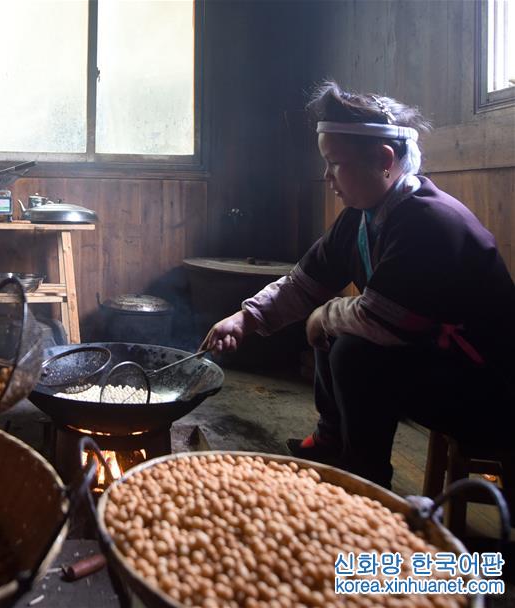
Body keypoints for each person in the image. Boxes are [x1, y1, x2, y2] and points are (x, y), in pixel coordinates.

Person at [202, 81, 515, 488]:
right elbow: (305, 281)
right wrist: (243, 320)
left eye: (334, 162)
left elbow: (383, 322)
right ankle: (333, 440)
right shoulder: (363, 216)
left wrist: (324, 316)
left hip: (489, 392)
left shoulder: (430, 222)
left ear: (384, 159)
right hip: (440, 364)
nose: (326, 176)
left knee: (354, 351)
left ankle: (365, 480)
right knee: (342, 339)